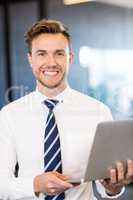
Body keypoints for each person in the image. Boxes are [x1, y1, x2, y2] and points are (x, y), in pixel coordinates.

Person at [0, 19, 133, 200]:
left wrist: (113, 187)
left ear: (70, 58)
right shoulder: (9, 115)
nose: (51, 62)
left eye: (59, 54)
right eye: (42, 54)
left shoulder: (98, 111)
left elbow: (106, 187)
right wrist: (35, 184)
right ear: (30, 59)